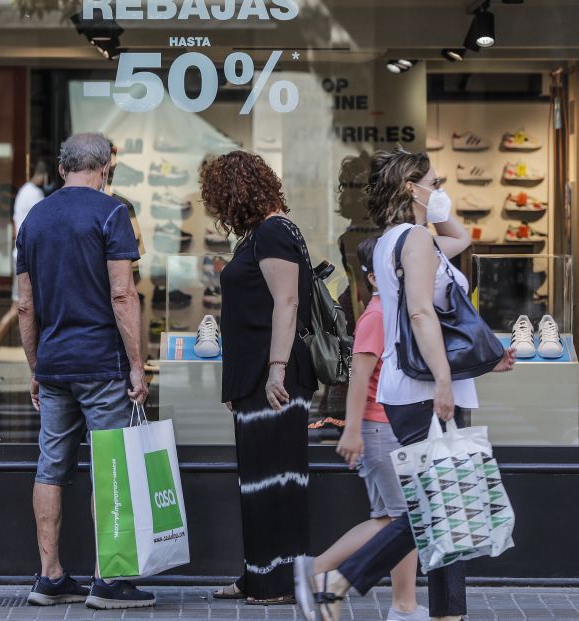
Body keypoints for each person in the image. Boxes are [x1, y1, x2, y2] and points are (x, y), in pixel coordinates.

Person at [295, 146, 516, 621]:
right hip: (421, 388)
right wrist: (441, 379)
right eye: (434, 184)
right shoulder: (414, 239)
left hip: (414, 387)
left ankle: (446, 612)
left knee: (445, 502)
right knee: (435, 504)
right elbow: (420, 312)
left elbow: (462, 239)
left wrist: (442, 211)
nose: (441, 191)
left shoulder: (403, 238)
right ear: (409, 188)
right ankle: (340, 578)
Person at [15, 133, 152, 610]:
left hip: (53, 366)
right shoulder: (111, 213)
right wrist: (137, 363)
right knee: (110, 466)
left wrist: (35, 366)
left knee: (50, 467)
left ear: (61, 168)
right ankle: (108, 580)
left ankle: (49, 575)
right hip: (101, 363)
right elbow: (122, 294)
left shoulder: (34, 219)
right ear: (106, 167)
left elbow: (25, 305)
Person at [200, 151, 318, 605]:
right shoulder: (264, 233)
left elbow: (286, 303)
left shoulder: (273, 232)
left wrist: (275, 371)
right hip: (257, 379)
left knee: (275, 481)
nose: (219, 210)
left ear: (235, 193)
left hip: (276, 381)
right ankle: (257, 576)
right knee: (260, 480)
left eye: (220, 199)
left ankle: (276, 582)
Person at [296, 236, 428, 621]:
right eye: (398, 267)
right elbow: (358, 377)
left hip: (387, 427)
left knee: (392, 519)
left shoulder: (395, 310)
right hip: (380, 428)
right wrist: (351, 430)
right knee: (405, 520)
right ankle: (319, 571)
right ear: (374, 277)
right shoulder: (377, 315)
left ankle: (403, 605)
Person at [0, 160, 51, 382]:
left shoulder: (25, 191)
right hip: (29, 260)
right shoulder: (34, 194)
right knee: (20, 309)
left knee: (23, 309)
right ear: (44, 176)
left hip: (23, 256)